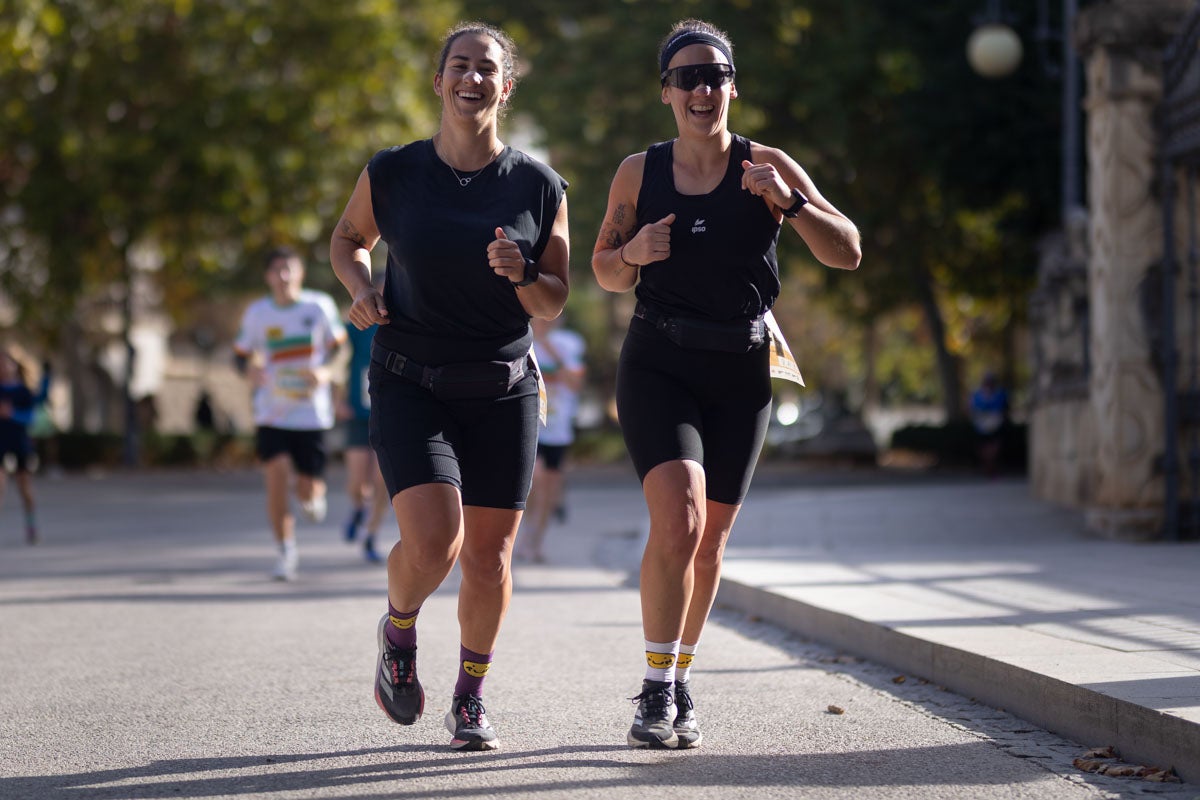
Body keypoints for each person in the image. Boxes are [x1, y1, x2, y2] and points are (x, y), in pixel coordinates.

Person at [591, 19, 861, 750]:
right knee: (677, 519)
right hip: (658, 360)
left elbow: (849, 251)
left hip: (742, 368)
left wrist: (792, 204)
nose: (703, 89)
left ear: (733, 87)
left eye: (715, 75)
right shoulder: (636, 173)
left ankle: (678, 675)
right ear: (667, 93)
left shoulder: (767, 165)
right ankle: (653, 690)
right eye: (688, 78)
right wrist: (635, 255)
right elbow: (603, 267)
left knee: (708, 542)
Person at [328, 21, 569, 752]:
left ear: (505, 85)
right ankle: (398, 631)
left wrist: (523, 273)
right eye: (458, 66)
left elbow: (556, 297)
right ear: (438, 82)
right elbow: (346, 241)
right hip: (410, 380)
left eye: (486, 69)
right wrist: (360, 289)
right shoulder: (394, 171)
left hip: (503, 386)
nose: (472, 79)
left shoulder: (538, 182)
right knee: (434, 543)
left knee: (489, 559)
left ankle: (470, 696)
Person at [234, 246, 347, 581]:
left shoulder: (319, 306)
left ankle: (312, 492)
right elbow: (239, 356)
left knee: (308, 490)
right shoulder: (257, 313)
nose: (283, 276)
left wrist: (325, 373)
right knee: (277, 475)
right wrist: (249, 372)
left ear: (300, 273)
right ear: (268, 276)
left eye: (289, 269)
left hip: (311, 415)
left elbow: (340, 348)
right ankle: (285, 551)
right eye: (277, 270)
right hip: (272, 412)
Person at [516, 315, 586, 564]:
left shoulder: (570, 343)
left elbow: (575, 383)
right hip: (531, 425)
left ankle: (536, 540)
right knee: (538, 479)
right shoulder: (522, 339)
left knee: (550, 488)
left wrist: (548, 347)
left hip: (558, 429)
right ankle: (525, 535)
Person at [338, 308, 391, 563]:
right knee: (358, 483)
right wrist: (335, 399)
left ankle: (371, 533)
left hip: (391, 414)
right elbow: (335, 360)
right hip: (359, 413)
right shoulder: (358, 325)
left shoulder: (409, 324)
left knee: (384, 480)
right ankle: (359, 508)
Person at [0, 351, 51, 544]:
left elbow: (31, 417)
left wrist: (11, 414)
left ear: (14, 366)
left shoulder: (23, 392)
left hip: (20, 443)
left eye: (5, 363)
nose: (3, 368)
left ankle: (31, 524)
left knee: (24, 488)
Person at [970, 371, 1010, 476]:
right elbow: (973, 410)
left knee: (994, 450)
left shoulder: (1000, 394)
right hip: (981, 426)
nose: (988, 383)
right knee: (984, 450)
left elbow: (1004, 409)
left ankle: (992, 469)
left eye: (990, 381)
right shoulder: (977, 395)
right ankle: (988, 469)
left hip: (996, 425)